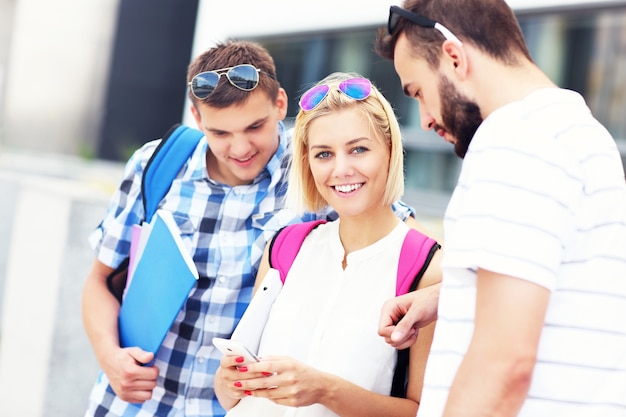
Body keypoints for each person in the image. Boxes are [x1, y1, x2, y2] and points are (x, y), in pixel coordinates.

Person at [82, 41, 418, 417]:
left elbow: (407, 243)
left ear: (279, 104)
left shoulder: (317, 169)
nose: (240, 147)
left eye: (255, 126)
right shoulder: (155, 164)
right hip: (134, 406)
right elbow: (99, 281)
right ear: (196, 116)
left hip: (233, 407)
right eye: (220, 133)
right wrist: (109, 357)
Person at [373, 1, 626, 416]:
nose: (424, 120)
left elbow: (504, 364)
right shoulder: (579, 130)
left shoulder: (513, 139)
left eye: (419, 92)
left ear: (454, 57)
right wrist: (451, 294)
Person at [213, 72, 442, 417]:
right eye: (323, 154)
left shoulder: (428, 268)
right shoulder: (285, 246)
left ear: (390, 150)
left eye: (358, 149)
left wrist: (325, 390)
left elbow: (422, 411)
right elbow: (232, 395)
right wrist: (228, 381)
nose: (341, 169)